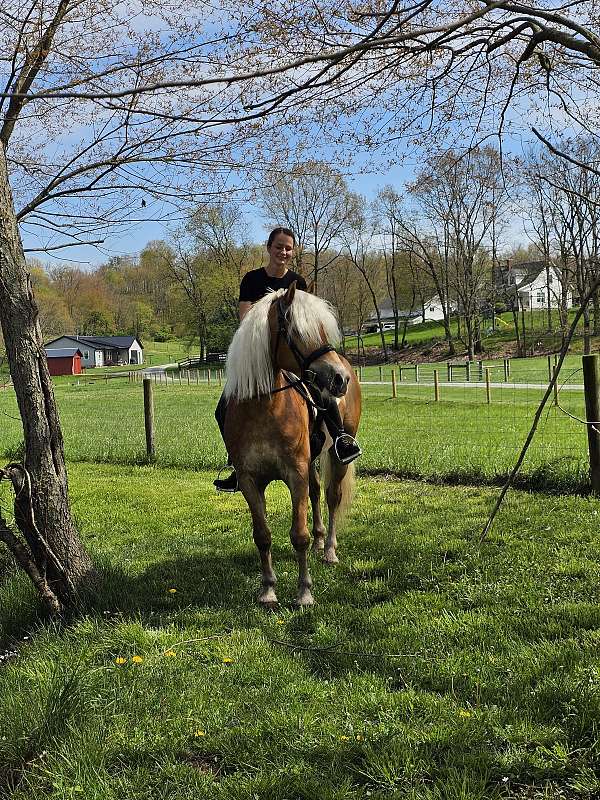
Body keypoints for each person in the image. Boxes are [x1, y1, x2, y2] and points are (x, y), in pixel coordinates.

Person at [214, 227, 361, 492]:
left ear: (293, 252)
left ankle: (340, 439)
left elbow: (307, 324)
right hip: (260, 358)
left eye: (288, 248)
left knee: (324, 394)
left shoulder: (298, 283)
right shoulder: (252, 280)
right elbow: (246, 320)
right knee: (223, 407)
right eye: (279, 246)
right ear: (269, 248)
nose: (283, 252)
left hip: (293, 355)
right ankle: (237, 463)